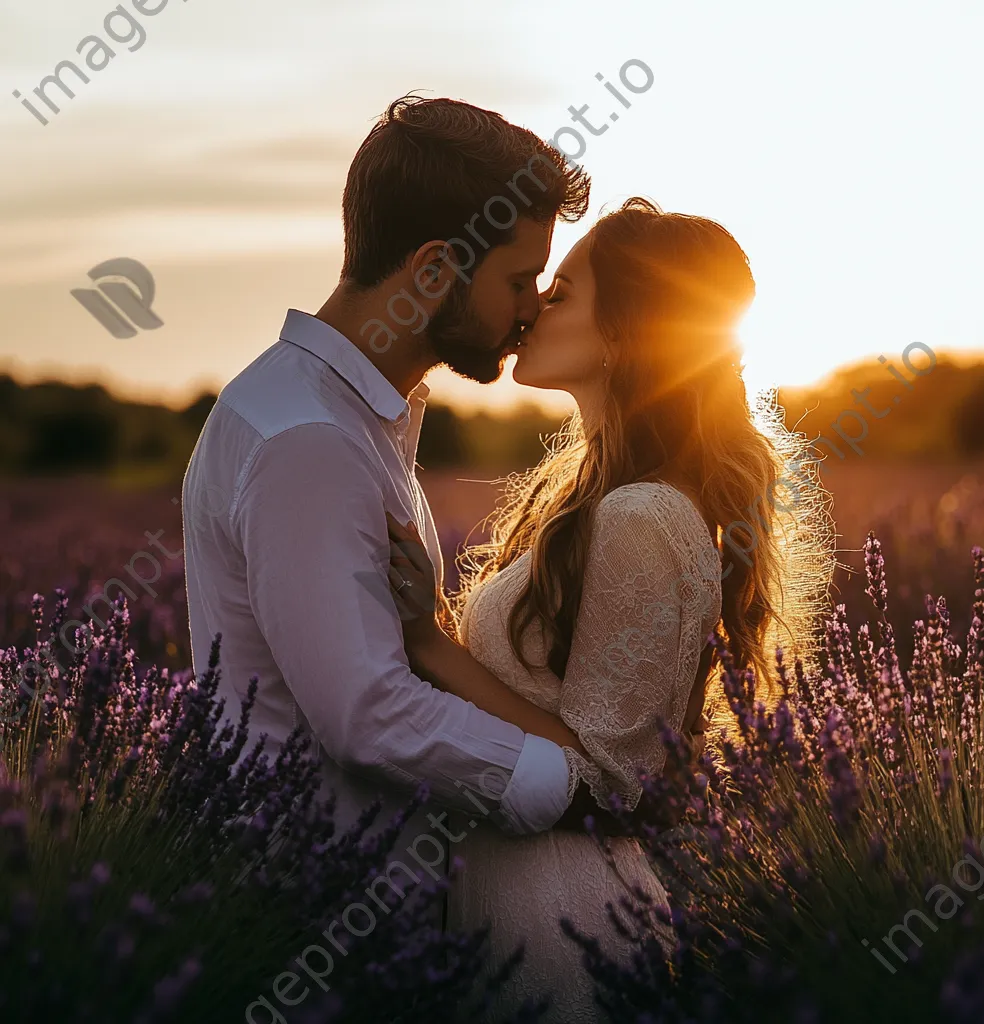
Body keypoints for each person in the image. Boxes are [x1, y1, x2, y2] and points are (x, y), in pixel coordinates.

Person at [181, 91, 662, 939]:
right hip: (326, 919)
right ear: (435, 270)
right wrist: (572, 788)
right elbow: (367, 714)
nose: (529, 310)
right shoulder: (311, 441)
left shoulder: (340, 412)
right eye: (517, 280)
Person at [385, 197, 835, 1021]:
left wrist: (428, 643)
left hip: (563, 914)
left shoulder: (644, 518)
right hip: (511, 889)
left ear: (625, 334)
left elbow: (608, 779)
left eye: (560, 295)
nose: (530, 311)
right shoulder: (599, 500)